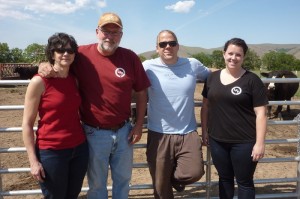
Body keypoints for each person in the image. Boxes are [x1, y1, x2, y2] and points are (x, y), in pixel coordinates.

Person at [38, 12, 150, 199]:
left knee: (123, 180)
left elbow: (141, 92)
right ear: (97, 32)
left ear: (121, 35)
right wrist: (43, 64)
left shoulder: (130, 57)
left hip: (124, 131)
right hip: (94, 132)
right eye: (106, 31)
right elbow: (59, 62)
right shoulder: (81, 55)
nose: (110, 36)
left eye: (115, 32)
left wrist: (138, 125)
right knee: (97, 183)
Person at [143, 30, 210, 199]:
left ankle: (172, 179)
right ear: (156, 48)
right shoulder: (147, 67)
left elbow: (214, 78)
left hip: (187, 132)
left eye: (172, 43)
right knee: (160, 189)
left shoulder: (192, 64)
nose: (168, 47)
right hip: (159, 133)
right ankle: (164, 180)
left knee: (194, 172)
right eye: (163, 44)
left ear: (178, 46)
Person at [22, 32, 89, 198]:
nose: (65, 53)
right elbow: (27, 124)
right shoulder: (39, 82)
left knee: (73, 194)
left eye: (70, 50)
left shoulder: (74, 80)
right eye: (60, 50)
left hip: (79, 148)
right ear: (52, 53)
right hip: (52, 151)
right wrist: (33, 161)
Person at [201, 38, 268, 199]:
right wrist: (204, 131)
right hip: (217, 141)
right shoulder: (212, 78)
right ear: (224, 54)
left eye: (238, 55)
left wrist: (259, 143)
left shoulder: (252, 80)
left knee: (244, 182)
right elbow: (206, 107)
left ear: (243, 57)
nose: (233, 58)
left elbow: (261, 114)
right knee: (224, 179)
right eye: (230, 53)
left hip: (244, 142)